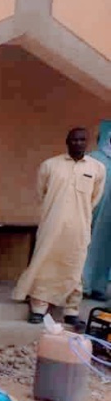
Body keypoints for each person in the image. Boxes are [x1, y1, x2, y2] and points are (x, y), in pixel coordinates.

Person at [13, 128, 107, 328]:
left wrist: (78, 214)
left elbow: (94, 199)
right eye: (74, 140)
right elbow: (42, 193)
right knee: (45, 263)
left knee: (75, 265)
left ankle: (71, 310)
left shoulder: (97, 168)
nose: (78, 143)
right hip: (51, 225)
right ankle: (38, 308)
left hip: (79, 227)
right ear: (67, 141)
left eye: (82, 140)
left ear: (88, 143)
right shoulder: (50, 165)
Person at [83, 127, 111, 301]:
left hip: (109, 216)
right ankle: (82, 286)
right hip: (92, 210)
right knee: (86, 247)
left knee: (105, 250)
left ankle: (98, 287)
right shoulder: (94, 159)